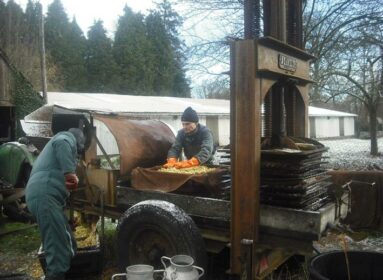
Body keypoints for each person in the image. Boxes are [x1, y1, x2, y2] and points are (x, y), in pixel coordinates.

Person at [26, 128, 85, 280]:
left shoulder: (54, 151)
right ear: (77, 140)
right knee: (58, 249)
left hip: (45, 196)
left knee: (68, 243)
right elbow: (62, 142)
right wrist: (69, 173)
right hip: (44, 195)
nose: (77, 154)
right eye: (79, 150)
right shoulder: (65, 137)